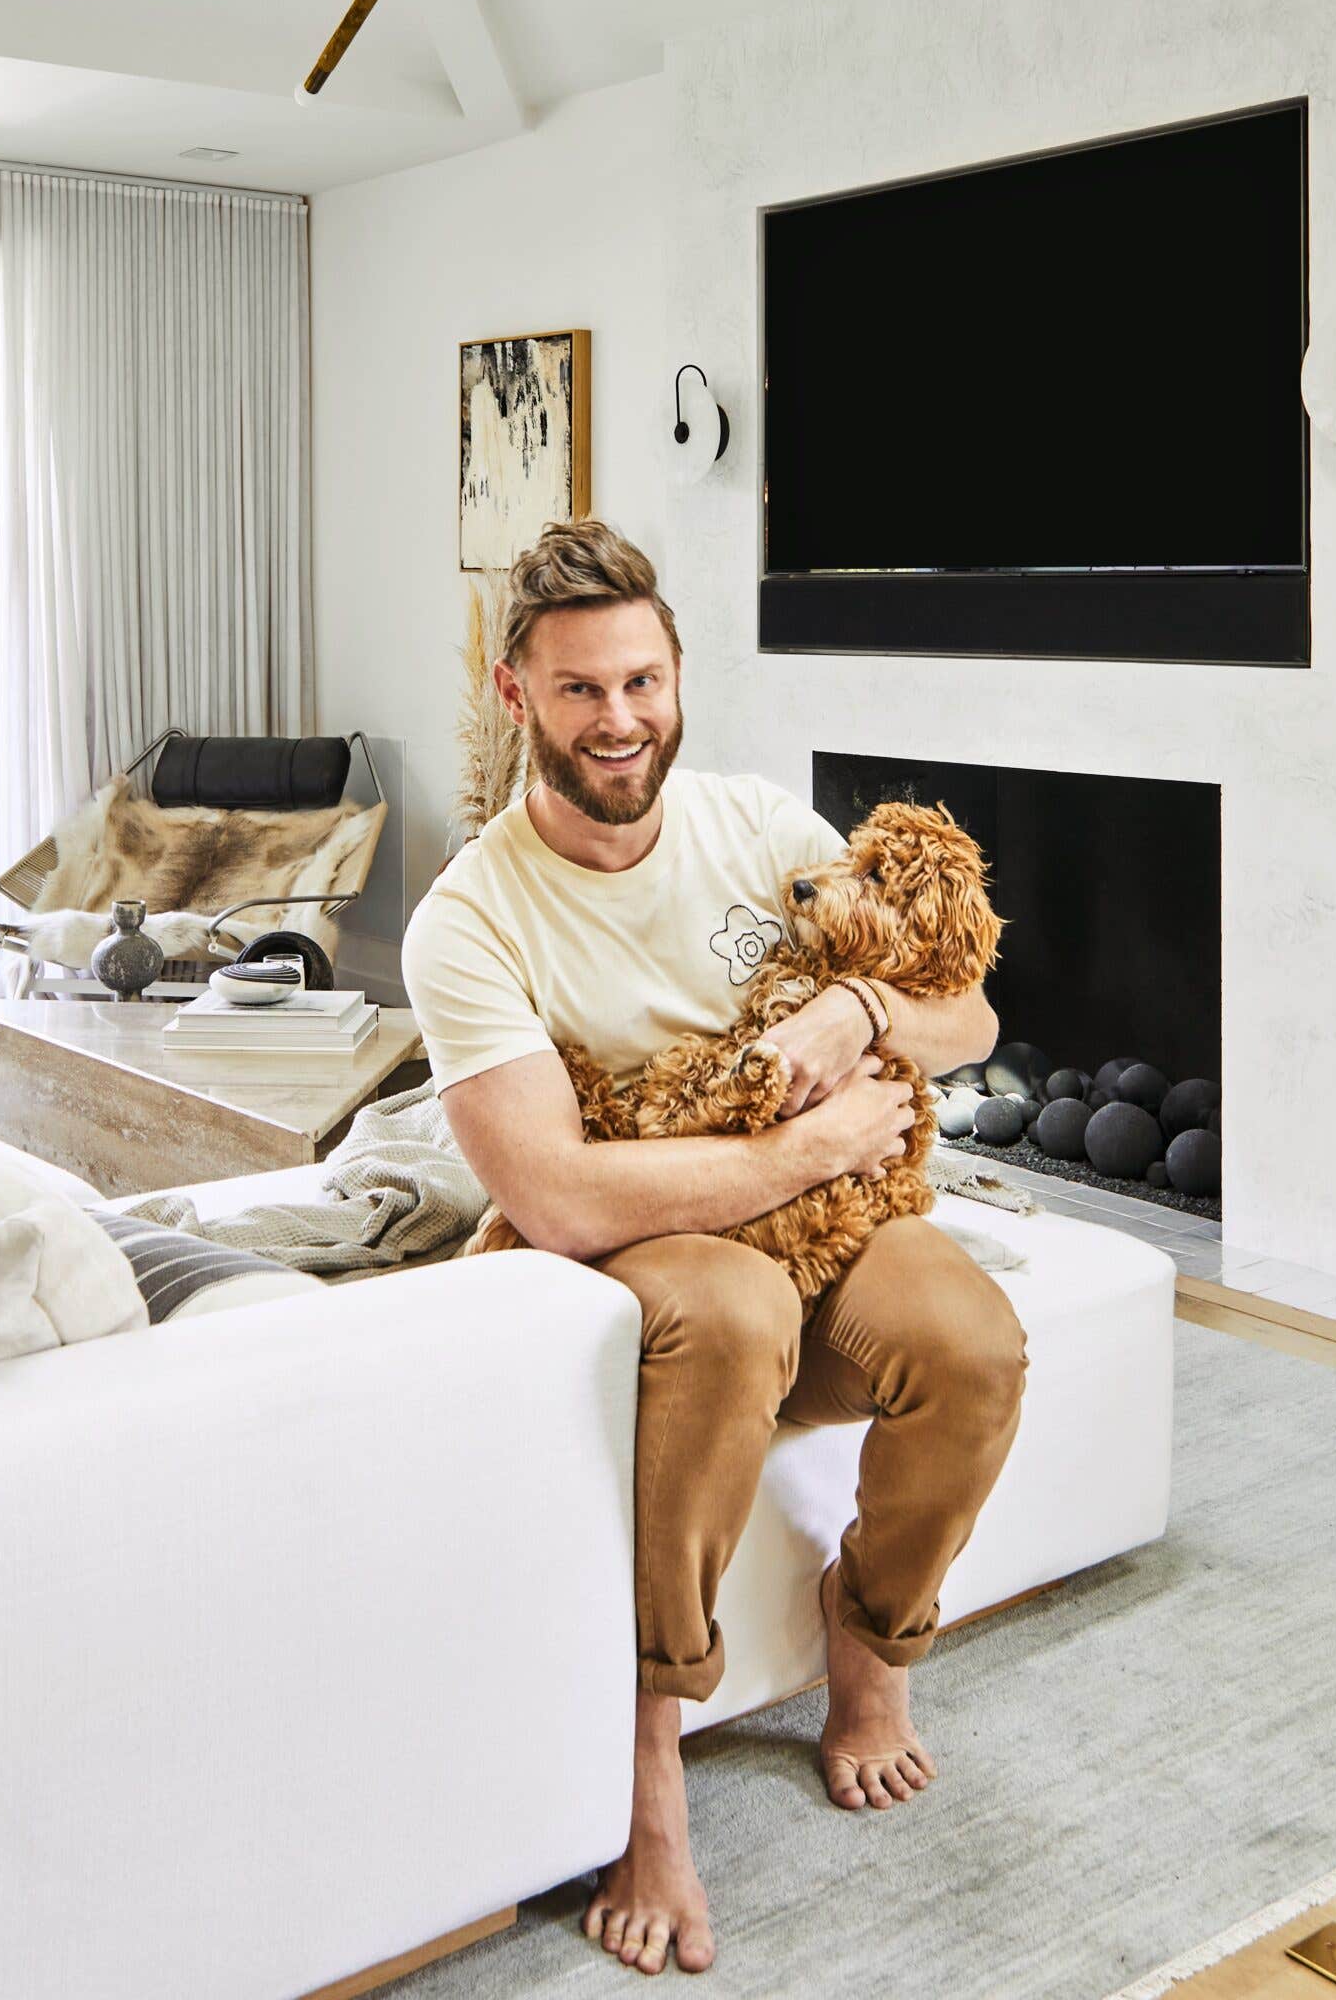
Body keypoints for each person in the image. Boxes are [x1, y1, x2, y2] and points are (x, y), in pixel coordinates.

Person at [402, 520, 1028, 1978]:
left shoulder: (764, 830)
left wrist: (864, 1016)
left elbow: (974, 1022)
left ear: (679, 673)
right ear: (517, 701)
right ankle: (647, 1750)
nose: (618, 722)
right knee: (739, 1315)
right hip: (643, 1241)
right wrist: (796, 1153)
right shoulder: (472, 916)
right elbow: (555, 1194)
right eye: (578, 693)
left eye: (641, 682)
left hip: (829, 1225)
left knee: (974, 1344)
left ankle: (868, 1630)